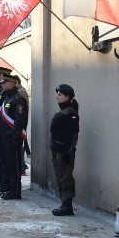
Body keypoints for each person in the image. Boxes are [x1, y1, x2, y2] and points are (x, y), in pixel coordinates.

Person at [49, 84, 80, 216]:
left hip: (64, 152)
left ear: (67, 97)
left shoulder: (70, 113)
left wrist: (68, 152)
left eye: (60, 95)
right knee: (59, 175)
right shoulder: (63, 111)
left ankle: (67, 206)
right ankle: (64, 203)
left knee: (65, 177)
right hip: (57, 150)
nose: (57, 97)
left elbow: (73, 135)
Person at [0, 74, 29, 200]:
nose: (2, 85)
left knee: (14, 165)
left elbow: (19, 120)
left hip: (13, 138)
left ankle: (15, 190)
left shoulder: (17, 99)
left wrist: (14, 137)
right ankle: (11, 188)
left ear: (12, 83)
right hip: (6, 137)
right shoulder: (9, 97)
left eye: (4, 83)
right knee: (9, 164)